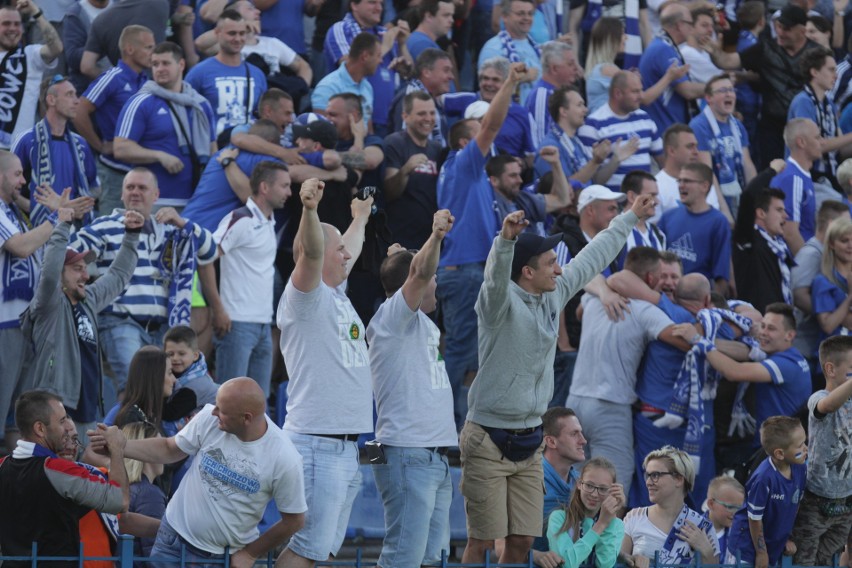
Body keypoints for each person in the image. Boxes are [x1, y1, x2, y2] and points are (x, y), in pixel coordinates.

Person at [460, 192, 656, 564]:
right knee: (482, 541)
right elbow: (493, 283)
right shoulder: (497, 305)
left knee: (522, 541)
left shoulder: (555, 293)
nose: (560, 270)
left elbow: (593, 256)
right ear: (527, 272)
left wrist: (629, 217)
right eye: (551, 263)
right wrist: (504, 243)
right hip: (487, 436)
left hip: (530, 437)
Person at [91, 377, 307, 568]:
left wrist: (251, 553)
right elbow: (169, 449)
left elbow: (294, 520)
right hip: (172, 541)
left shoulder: (285, 458)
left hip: (222, 556)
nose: (212, 412)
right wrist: (121, 446)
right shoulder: (209, 418)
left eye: (221, 410)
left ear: (246, 418)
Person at [275, 178, 374, 568]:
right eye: (339, 252)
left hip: (344, 447)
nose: (347, 256)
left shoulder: (336, 296)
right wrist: (310, 211)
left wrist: (360, 217)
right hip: (317, 445)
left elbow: (346, 245)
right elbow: (314, 251)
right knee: (307, 549)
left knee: (320, 551)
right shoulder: (305, 297)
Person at [68, 168, 217, 394]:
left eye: (142, 188)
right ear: (121, 194)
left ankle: (144, 431)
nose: (135, 192)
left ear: (156, 195)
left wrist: (182, 222)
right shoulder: (105, 226)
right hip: (121, 321)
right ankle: (123, 430)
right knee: (134, 387)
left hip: (164, 328)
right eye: (130, 187)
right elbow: (70, 254)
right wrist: (62, 217)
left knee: (162, 392)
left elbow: (210, 251)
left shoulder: (170, 228)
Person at [436, 61, 527, 428]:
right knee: (461, 351)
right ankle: (447, 425)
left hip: (469, 270)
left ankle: (461, 424)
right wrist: (510, 82)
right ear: (464, 141)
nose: (485, 140)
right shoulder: (464, 163)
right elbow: (491, 125)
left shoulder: (463, 172)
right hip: (466, 271)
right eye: (476, 135)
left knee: (470, 352)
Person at [366, 210, 457, 567]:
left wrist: (399, 255)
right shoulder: (392, 318)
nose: (436, 283)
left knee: (434, 558)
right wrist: (435, 235)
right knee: (403, 557)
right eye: (432, 277)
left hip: (433, 456)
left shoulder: (417, 322)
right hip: (406, 454)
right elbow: (418, 273)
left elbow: (413, 271)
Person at [568, 246, 690, 496]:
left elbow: (579, 311)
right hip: (610, 408)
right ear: (650, 279)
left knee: (578, 486)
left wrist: (603, 292)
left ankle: (573, 536)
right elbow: (683, 341)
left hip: (576, 403)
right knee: (613, 491)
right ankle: (599, 536)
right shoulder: (645, 311)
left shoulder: (593, 300)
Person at [23, 207, 141, 444]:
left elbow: (118, 275)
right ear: (61, 273)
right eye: (77, 269)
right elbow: (48, 275)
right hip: (56, 410)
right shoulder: (48, 304)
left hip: (88, 410)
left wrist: (131, 235)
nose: (85, 275)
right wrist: (62, 227)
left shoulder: (89, 300)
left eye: (85, 268)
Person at [0, 390, 129, 566]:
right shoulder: (57, 468)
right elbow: (120, 500)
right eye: (62, 421)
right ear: (40, 429)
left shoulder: (2, 465)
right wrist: (117, 449)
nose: (67, 428)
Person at [675, 303, 812, 447]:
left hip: (777, 449)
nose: (764, 332)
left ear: (789, 335)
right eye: (763, 326)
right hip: (781, 444)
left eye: (771, 328)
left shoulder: (784, 365)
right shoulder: (793, 356)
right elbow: (746, 350)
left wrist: (698, 340)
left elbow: (734, 372)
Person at [208, 161, 291, 395]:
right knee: (229, 402)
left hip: (263, 324)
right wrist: (218, 309)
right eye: (284, 186)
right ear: (265, 187)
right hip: (236, 323)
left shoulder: (268, 223)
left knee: (258, 404)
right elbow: (206, 257)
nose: (289, 192)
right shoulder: (240, 219)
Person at [0, 150, 58, 449]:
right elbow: (20, 247)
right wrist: (57, 218)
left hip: (22, 323)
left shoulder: (12, 211)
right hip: (3, 324)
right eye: (18, 174)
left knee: (16, 414)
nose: (23, 180)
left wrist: (53, 211)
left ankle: (13, 479)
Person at [113, 41, 216, 208]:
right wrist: (160, 156)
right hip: (155, 202)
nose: (159, 69)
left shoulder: (200, 104)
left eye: (166, 63)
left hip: (195, 203)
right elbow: (121, 148)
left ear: (181, 64)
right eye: (155, 64)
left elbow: (212, 150)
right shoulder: (141, 101)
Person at [73, 25, 154, 218]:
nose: (153, 53)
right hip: (114, 171)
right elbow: (79, 110)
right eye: (148, 47)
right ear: (129, 49)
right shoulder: (112, 77)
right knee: (110, 228)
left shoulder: (147, 81)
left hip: (140, 170)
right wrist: (99, 145)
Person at [790, 335, 852, 565]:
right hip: (816, 500)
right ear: (830, 369)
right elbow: (829, 406)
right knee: (804, 559)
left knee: (827, 559)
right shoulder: (819, 397)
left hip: (847, 499)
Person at [12, 74, 99, 227]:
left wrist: (79, 207)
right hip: (33, 229)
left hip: (73, 230)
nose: (77, 101)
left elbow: (94, 188)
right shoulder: (27, 140)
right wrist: (34, 207)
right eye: (69, 95)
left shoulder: (81, 144)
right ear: (51, 100)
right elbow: (6, 188)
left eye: (76, 95)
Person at [725, 416, 808, 568]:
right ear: (780, 454)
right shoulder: (763, 478)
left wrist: (787, 537)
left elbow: (794, 506)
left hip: (773, 542)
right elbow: (754, 519)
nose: (806, 448)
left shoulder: (801, 468)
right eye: (800, 445)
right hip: (746, 548)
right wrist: (761, 553)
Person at [621, 446, 720, 567]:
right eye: (648, 475)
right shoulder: (634, 517)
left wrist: (707, 552)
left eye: (656, 475)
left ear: (678, 479)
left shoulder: (702, 527)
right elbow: (618, 563)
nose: (648, 482)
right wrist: (631, 560)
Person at [323, 0, 411, 135]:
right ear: (354, 5)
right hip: (354, 123)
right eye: (372, 2)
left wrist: (403, 46)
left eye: (381, 3)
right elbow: (350, 68)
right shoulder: (341, 29)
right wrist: (385, 47)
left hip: (390, 123)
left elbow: (410, 74)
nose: (379, 8)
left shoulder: (384, 34)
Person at [185, 10, 267, 139]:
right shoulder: (199, 73)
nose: (238, 39)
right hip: (215, 149)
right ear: (217, 34)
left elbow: (262, 115)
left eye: (242, 33)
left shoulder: (257, 74)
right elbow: (186, 115)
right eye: (232, 33)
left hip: (250, 146)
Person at [578, 71, 664, 192]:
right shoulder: (593, 125)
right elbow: (591, 182)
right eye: (635, 91)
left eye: (641, 90)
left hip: (645, 202)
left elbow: (664, 162)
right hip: (613, 205)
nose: (641, 96)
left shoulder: (645, 119)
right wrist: (616, 160)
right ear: (617, 93)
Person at [583, 17, 687, 115]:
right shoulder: (608, 69)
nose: (626, 37)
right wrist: (669, 77)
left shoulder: (600, 68)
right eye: (622, 33)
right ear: (611, 38)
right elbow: (644, 98)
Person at [789, 46, 852, 204]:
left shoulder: (829, 104)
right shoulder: (803, 102)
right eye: (831, 70)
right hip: (808, 179)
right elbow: (813, 147)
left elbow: (840, 149)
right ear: (814, 72)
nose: (836, 75)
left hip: (828, 178)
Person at [534, 86, 636, 185]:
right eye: (579, 105)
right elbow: (564, 190)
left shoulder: (577, 142)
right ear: (563, 111)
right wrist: (595, 162)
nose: (585, 110)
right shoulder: (550, 147)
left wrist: (615, 160)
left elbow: (594, 182)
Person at [689, 74, 758, 216]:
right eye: (722, 91)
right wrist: (724, 211)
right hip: (714, 201)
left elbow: (747, 165)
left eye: (731, 90)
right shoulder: (699, 126)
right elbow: (706, 172)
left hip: (738, 196)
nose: (729, 94)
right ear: (708, 98)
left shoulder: (737, 125)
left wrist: (756, 201)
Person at [659, 162, 732, 295]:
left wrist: (710, 308)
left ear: (704, 186)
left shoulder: (718, 222)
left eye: (687, 181)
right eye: (679, 181)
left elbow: (721, 274)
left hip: (696, 298)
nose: (681, 185)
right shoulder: (668, 217)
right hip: (666, 295)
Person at [791, 200, 851, 360]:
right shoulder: (812, 253)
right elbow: (799, 296)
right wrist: (839, 316)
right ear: (832, 225)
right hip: (809, 345)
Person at [383, 91, 443, 249]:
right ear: (405, 116)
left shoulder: (437, 149)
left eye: (432, 113)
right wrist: (405, 170)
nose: (428, 119)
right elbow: (389, 192)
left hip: (430, 239)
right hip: (400, 240)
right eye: (421, 113)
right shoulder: (394, 143)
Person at [0, 0, 63, 149]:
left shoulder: (30, 55)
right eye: (6, 24)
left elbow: (56, 48)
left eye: (17, 24)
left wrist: (36, 12)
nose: (13, 29)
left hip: (20, 151)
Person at [637, 2, 705, 134]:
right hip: (665, 132)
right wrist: (716, 88)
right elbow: (687, 91)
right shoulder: (664, 49)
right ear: (679, 25)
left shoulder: (662, 45)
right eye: (690, 24)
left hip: (665, 128)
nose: (692, 29)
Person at [547, 457, 624, 568]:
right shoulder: (559, 518)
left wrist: (608, 521)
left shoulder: (616, 524)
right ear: (579, 483)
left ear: (612, 491)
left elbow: (605, 565)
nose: (594, 494)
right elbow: (566, 564)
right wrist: (600, 525)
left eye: (602, 489)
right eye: (589, 485)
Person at [733, 188, 796, 313]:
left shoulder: (778, 246)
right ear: (761, 213)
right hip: (758, 321)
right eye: (779, 210)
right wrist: (772, 171)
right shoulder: (750, 243)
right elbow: (747, 194)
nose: (786, 216)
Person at [654, 123, 726, 225]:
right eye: (690, 147)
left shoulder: (704, 182)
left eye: (696, 146)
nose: (696, 152)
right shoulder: (656, 187)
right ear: (671, 151)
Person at [770, 118, 822, 255]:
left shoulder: (800, 174)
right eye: (817, 137)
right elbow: (790, 233)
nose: (822, 142)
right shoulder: (793, 178)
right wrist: (808, 264)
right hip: (796, 263)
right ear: (801, 142)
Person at [311, 33, 381, 129]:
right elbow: (322, 133)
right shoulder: (327, 87)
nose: (380, 61)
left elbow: (368, 131)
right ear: (365, 56)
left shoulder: (367, 87)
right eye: (378, 56)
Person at [479, 0, 543, 102]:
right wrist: (523, 77)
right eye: (520, 13)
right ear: (504, 16)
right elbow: (489, 87)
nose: (526, 18)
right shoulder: (493, 48)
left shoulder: (535, 47)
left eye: (530, 14)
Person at [121, 420, 167, 560]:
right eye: (160, 446)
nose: (165, 453)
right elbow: (156, 555)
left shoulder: (123, 490)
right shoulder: (149, 494)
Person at [525, 41, 580, 146]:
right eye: (570, 64)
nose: (576, 68)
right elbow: (542, 144)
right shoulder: (541, 95)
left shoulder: (564, 93)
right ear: (554, 69)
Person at [162, 325, 219, 417]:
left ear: (195, 355)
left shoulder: (195, 386)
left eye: (181, 354)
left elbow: (170, 414)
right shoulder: (182, 371)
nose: (175, 358)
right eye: (170, 354)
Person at [811, 217, 852, 338]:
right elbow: (828, 326)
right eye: (845, 240)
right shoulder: (822, 281)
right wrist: (850, 297)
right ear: (832, 244)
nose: (850, 245)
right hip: (835, 352)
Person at [705, 475, 746, 557]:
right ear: (711, 504)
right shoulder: (694, 530)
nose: (735, 513)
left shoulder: (741, 533)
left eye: (739, 508)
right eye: (730, 507)